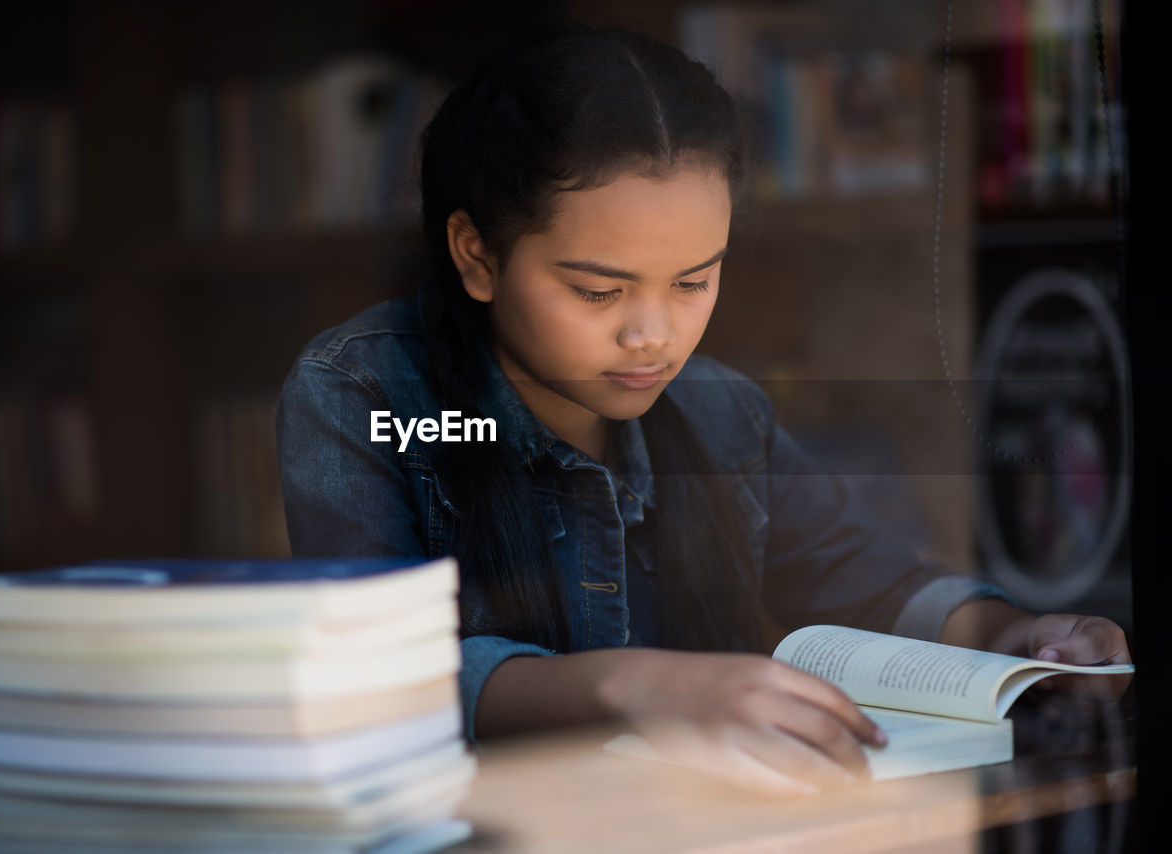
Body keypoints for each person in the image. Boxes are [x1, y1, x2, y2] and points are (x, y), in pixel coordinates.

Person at [276, 23, 1131, 794]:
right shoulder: (367, 395)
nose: (653, 336)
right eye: (598, 290)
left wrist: (1025, 641)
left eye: (694, 281)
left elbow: (876, 582)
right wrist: (644, 687)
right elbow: (371, 676)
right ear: (477, 254)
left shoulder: (721, 414)